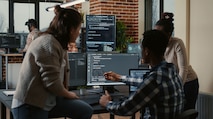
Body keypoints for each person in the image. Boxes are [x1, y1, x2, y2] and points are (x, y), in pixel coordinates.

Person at [11, 5, 93, 119]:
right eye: (78, 29)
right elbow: (51, 83)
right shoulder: (48, 43)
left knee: (84, 110)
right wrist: (69, 94)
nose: (79, 33)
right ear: (71, 30)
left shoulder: (58, 44)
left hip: (48, 100)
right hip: (30, 104)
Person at [100, 30, 185, 119]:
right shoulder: (170, 70)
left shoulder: (154, 79)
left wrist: (106, 103)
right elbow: (145, 82)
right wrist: (120, 78)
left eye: (141, 49)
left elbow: (125, 109)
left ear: (147, 51)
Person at [155, 12, 199, 110]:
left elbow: (183, 69)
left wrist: (176, 89)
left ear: (169, 34)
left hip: (187, 82)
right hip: (171, 84)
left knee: (185, 112)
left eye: (160, 34)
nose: (156, 36)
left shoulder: (177, 43)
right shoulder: (156, 45)